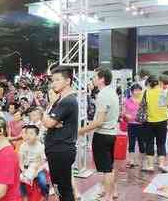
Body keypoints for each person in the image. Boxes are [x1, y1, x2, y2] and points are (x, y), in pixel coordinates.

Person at [79, 67, 120, 201]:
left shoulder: (103, 95)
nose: (93, 79)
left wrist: (81, 131)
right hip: (111, 133)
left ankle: (107, 196)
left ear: (102, 78)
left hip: (102, 134)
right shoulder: (112, 92)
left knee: (106, 168)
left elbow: (99, 121)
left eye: (95, 77)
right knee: (109, 166)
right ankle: (112, 192)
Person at [43, 66, 78, 201]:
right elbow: (50, 122)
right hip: (56, 150)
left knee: (64, 189)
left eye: (57, 80)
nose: (54, 83)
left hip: (61, 150)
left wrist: (48, 117)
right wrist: (50, 117)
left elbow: (48, 123)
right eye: (53, 80)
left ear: (68, 81)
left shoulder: (67, 101)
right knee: (60, 187)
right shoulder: (60, 100)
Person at [144, 75, 168, 173]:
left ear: (149, 83)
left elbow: (142, 104)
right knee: (161, 143)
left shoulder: (147, 92)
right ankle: (161, 164)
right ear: (158, 83)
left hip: (149, 122)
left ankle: (150, 166)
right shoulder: (164, 92)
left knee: (149, 143)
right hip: (162, 121)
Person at [19, 125, 49, 201]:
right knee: (20, 179)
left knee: (43, 182)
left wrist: (36, 171)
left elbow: (43, 161)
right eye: (27, 133)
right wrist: (23, 170)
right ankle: (24, 196)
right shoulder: (23, 145)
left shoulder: (41, 147)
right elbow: (21, 160)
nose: (28, 136)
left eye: (31, 133)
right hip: (26, 168)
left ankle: (44, 194)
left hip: (37, 168)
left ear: (37, 135)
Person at [121, 84, 145, 168]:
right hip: (131, 125)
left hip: (142, 125)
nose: (137, 92)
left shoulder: (143, 101)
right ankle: (131, 161)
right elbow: (123, 113)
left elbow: (146, 112)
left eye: (139, 90)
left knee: (142, 143)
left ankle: (141, 161)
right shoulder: (127, 101)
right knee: (131, 143)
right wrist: (126, 115)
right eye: (135, 90)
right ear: (132, 91)